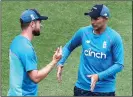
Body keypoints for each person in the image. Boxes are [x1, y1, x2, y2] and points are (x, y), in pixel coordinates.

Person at [56, 4, 124, 96]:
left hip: (104, 91)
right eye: (91, 18)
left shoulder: (114, 38)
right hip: (82, 89)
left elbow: (119, 65)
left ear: (105, 18)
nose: (92, 22)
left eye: (96, 19)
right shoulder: (83, 32)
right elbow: (69, 47)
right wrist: (61, 62)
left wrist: (98, 76)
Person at [7, 9, 62, 96]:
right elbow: (35, 77)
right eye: (39, 22)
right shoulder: (26, 48)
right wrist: (54, 61)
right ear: (32, 24)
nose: (41, 25)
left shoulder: (16, 41)